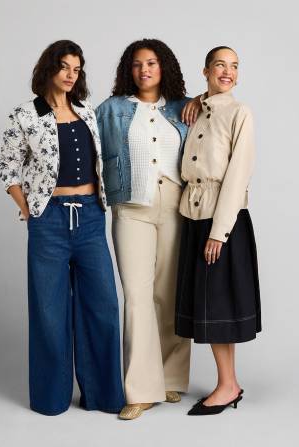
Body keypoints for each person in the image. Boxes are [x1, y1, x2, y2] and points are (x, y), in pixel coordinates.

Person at [0, 40, 125, 416]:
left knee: (103, 306)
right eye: (65, 67)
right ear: (49, 69)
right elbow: (9, 168)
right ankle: (51, 400)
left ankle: (103, 395)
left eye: (77, 68)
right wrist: (30, 211)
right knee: (49, 312)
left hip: (89, 218)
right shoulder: (23, 115)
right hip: (49, 221)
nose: (72, 75)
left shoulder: (88, 113)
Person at [95, 38, 201, 420]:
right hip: (131, 206)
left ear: (164, 67)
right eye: (137, 64)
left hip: (175, 204)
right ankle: (139, 389)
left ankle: (171, 377)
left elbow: (214, 110)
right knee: (137, 296)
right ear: (128, 69)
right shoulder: (110, 110)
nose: (144, 70)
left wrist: (199, 99)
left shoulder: (184, 108)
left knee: (169, 293)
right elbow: (89, 149)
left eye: (152, 63)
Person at [175, 46, 261, 415]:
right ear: (206, 70)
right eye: (220, 65)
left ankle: (227, 385)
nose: (228, 72)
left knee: (220, 303)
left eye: (234, 67)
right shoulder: (196, 109)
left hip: (221, 219)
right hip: (193, 216)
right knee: (209, 305)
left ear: (238, 75)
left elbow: (238, 173)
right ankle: (229, 382)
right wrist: (197, 98)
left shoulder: (240, 112)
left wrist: (219, 232)